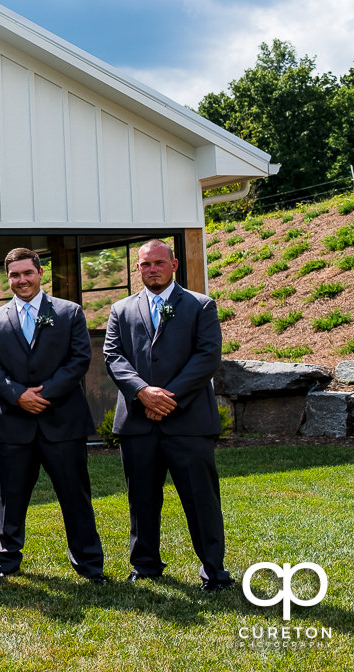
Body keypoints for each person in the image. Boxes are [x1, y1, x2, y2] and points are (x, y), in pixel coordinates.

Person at [104, 238, 233, 592]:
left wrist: (167, 398)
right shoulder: (121, 309)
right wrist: (143, 392)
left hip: (188, 420)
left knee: (200, 499)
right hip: (138, 421)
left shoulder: (200, 305)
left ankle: (214, 570)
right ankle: (145, 564)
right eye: (145, 264)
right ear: (138, 269)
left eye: (158, 263)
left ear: (173, 265)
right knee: (142, 498)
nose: (152, 270)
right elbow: (113, 357)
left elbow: (208, 356)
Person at [0, 248, 106, 584]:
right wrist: (18, 395)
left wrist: (43, 394)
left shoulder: (69, 313)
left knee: (75, 496)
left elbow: (79, 360)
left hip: (62, 420)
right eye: (15, 275)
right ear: (8, 279)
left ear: (40, 273)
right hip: (13, 423)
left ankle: (90, 565)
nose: (22, 280)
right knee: (11, 498)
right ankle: (7, 563)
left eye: (27, 273)